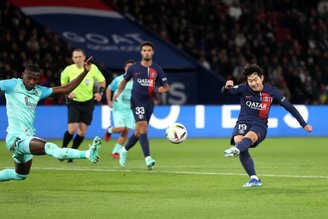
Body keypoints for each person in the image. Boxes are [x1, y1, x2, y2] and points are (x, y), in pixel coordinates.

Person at [0, 61, 101, 182]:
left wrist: (85, 72)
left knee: (20, 175)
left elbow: (66, 88)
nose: (32, 82)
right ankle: (88, 154)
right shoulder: (12, 85)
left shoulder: (39, 91)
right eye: (29, 78)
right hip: (16, 138)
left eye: (35, 79)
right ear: (23, 75)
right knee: (51, 148)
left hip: (27, 137)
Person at [222, 64, 312, 187]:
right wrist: (226, 87)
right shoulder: (243, 88)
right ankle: (254, 178)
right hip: (243, 122)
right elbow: (225, 93)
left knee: (249, 138)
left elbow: (289, 107)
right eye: (250, 81)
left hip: (260, 125)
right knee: (239, 141)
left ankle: (236, 149)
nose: (253, 83)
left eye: (255, 80)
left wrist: (304, 124)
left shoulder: (272, 92)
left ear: (262, 78)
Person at [113, 41, 170, 169]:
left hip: (149, 103)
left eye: (149, 50)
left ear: (153, 52)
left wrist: (163, 89)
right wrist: (118, 92)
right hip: (136, 101)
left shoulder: (157, 69)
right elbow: (124, 81)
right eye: (144, 50)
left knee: (138, 132)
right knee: (143, 126)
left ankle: (124, 150)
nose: (146, 52)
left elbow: (166, 86)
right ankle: (148, 158)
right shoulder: (134, 68)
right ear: (141, 52)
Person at [60, 48, 106, 163]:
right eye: (75, 57)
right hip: (74, 102)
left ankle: (72, 154)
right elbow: (63, 84)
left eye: (80, 57)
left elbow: (102, 81)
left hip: (88, 102)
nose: (78, 59)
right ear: (72, 58)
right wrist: (68, 92)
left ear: (84, 57)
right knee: (72, 129)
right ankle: (62, 151)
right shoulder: (68, 70)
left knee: (82, 132)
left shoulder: (92, 68)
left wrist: (100, 93)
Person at [105, 59, 136, 159]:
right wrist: (109, 101)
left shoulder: (137, 81)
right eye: (128, 67)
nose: (130, 68)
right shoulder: (119, 79)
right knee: (121, 128)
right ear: (125, 68)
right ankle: (109, 130)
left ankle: (116, 152)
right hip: (118, 108)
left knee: (126, 131)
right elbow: (109, 88)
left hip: (130, 110)